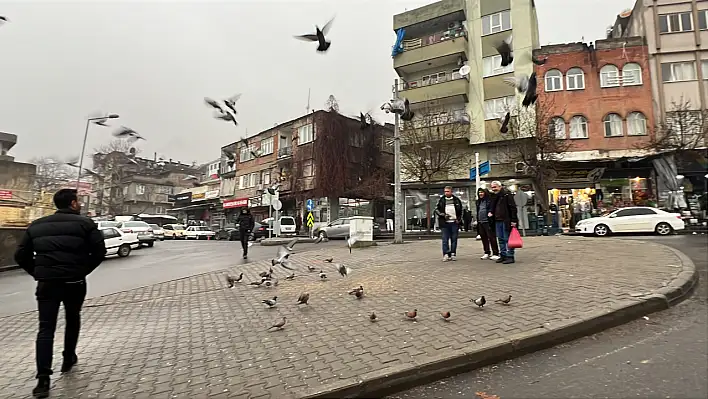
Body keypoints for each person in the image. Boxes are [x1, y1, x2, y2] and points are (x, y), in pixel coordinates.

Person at [14, 188, 106, 399]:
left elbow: (20, 254)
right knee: (73, 318)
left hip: (47, 284)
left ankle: (43, 379)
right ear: (73, 203)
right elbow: (99, 252)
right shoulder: (85, 224)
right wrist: (82, 271)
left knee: (45, 328)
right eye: (79, 201)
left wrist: (38, 272)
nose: (81, 204)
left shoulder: (37, 225)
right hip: (74, 282)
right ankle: (68, 357)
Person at [489, 181, 519, 264]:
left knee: (507, 239)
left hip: (506, 220)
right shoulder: (494, 197)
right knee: (501, 239)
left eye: (495, 187)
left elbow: (513, 208)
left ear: (500, 187)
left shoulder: (507, 195)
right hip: (497, 220)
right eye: (492, 187)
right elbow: (493, 207)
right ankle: (503, 255)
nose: (493, 189)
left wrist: (513, 220)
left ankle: (510, 256)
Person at [434, 186, 463, 261]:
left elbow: (461, 211)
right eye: (445, 191)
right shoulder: (441, 200)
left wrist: (459, 219)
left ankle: (453, 253)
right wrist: (442, 214)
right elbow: (436, 209)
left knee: (454, 239)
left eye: (447, 191)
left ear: (451, 192)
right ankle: (446, 254)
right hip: (445, 223)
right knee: (445, 239)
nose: (446, 193)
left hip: (454, 222)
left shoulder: (456, 200)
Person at [475, 188, 500, 260]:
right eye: (479, 192)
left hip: (488, 222)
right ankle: (487, 252)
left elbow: (492, 209)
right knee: (484, 238)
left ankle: (495, 253)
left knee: (491, 237)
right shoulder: (478, 202)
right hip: (481, 222)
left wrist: (491, 214)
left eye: (482, 192)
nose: (480, 194)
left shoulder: (489, 201)